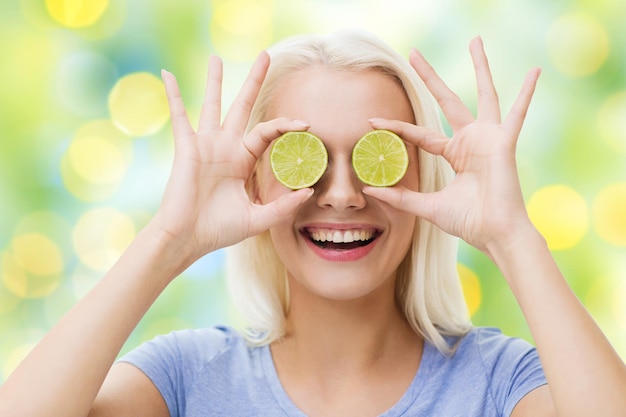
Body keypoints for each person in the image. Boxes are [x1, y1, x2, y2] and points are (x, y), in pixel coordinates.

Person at [0, 29, 624, 417]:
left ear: (425, 178)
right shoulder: (187, 378)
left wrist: (512, 236)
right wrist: (170, 240)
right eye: (306, 160)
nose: (344, 195)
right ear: (253, 180)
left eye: (378, 159)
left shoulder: (498, 381)